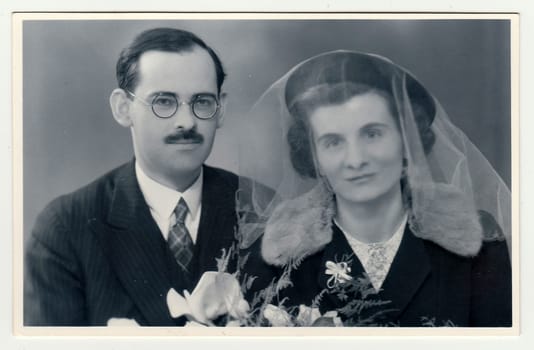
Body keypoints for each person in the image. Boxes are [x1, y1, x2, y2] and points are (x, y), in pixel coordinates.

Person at [238, 51, 512, 327]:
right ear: (315, 158)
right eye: (333, 142)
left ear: (406, 142)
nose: (356, 160)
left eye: (372, 134)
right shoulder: (277, 259)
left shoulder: (477, 243)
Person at [24, 28, 240, 326]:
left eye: (202, 102)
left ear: (221, 110)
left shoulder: (266, 214)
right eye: (164, 101)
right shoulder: (66, 228)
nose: (186, 122)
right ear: (123, 108)